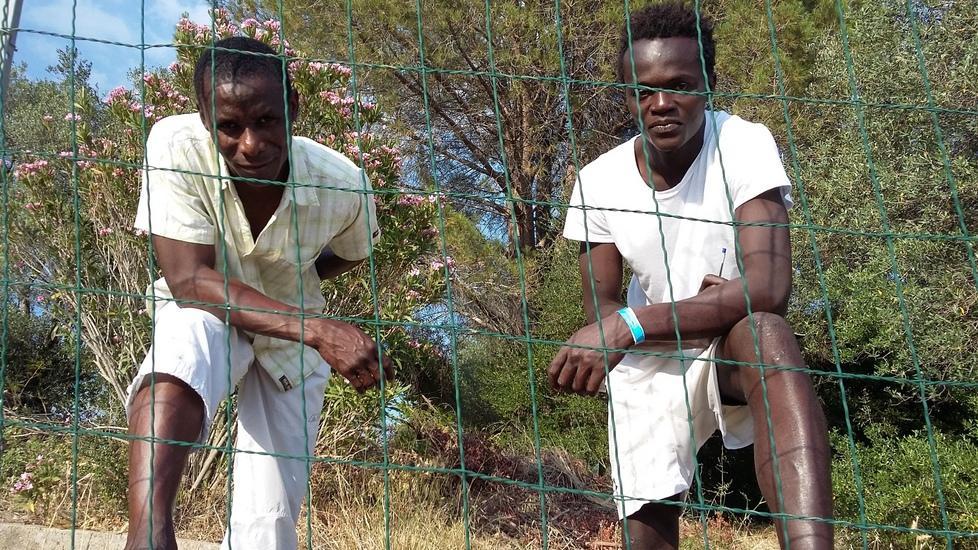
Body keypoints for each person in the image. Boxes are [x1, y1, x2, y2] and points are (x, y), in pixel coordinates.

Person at [549, 3, 832, 549]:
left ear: (709, 84)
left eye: (680, 85)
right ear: (626, 95)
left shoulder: (743, 144)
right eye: (643, 91)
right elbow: (602, 309)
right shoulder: (596, 182)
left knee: (766, 332)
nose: (661, 105)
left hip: (726, 343)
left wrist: (633, 325)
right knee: (646, 538)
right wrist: (638, 328)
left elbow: (769, 287)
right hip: (650, 359)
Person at [124, 36, 392, 550]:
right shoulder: (175, 145)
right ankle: (149, 536)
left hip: (292, 346)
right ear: (205, 118)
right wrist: (319, 329)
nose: (250, 144)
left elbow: (353, 253)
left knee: (267, 528)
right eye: (229, 126)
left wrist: (301, 281)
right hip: (220, 311)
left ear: (293, 108)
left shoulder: (344, 185)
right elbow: (189, 279)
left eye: (267, 121)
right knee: (185, 343)